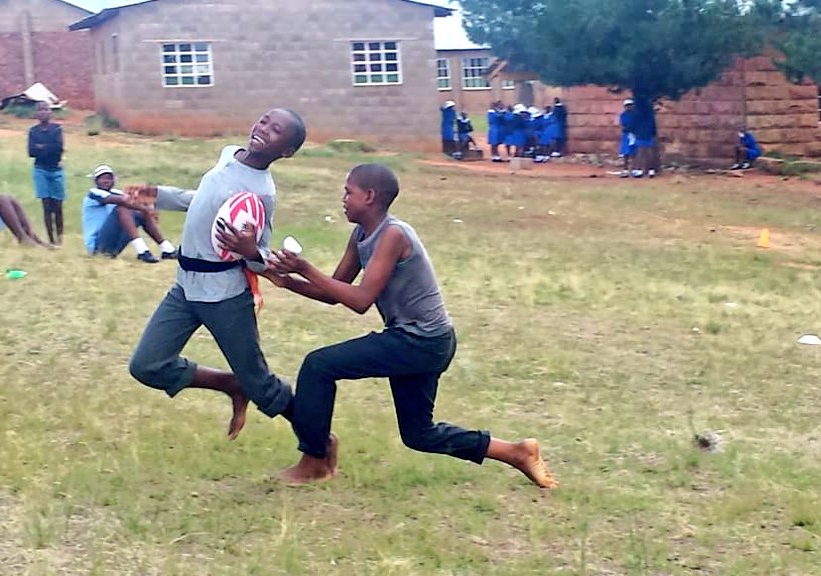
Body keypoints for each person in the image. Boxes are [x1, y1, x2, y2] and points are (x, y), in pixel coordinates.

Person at [264, 164, 558, 489]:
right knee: (419, 434)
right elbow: (335, 293)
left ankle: (314, 460)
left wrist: (304, 268)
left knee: (318, 366)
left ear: (370, 196)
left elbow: (360, 300)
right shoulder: (361, 235)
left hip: (421, 341)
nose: (343, 199)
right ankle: (516, 452)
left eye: (349, 192)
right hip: (423, 340)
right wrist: (287, 281)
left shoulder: (393, 235)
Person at [128, 108, 309, 445]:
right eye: (264, 121)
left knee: (260, 384)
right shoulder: (229, 154)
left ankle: (320, 442)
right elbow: (206, 200)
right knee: (147, 364)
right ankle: (231, 383)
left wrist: (251, 250)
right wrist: (158, 194)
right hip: (185, 288)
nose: (263, 129)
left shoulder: (262, 193)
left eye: (275, 130)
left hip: (224, 296)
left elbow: (261, 259)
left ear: (286, 152)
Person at [82, 165, 178, 263]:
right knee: (122, 208)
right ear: (96, 181)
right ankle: (142, 251)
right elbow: (123, 201)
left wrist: (146, 209)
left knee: (140, 212)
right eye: (102, 178)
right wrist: (146, 209)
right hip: (97, 247)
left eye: (109, 178)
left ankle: (167, 249)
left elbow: (132, 201)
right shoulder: (93, 193)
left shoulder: (116, 192)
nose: (106, 181)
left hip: (113, 244)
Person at [28, 101, 66, 244]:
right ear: (36, 113)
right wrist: (48, 148)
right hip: (40, 170)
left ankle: (60, 239)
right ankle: (51, 239)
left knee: (58, 206)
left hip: (56, 170)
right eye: (40, 110)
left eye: (46, 109)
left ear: (51, 112)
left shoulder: (57, 129)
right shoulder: (33, 131)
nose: (43, 112)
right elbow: (31, 152)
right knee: (46, 206)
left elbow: (58, 148)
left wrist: (41, 147)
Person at [618, 99, 637, 177]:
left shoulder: (636, 115)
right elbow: (623, 125)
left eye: (630, 105)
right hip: (626, 135)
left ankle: (634, 169)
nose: (629, 107)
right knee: (626, 153)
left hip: (635, 135)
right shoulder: (623, 115)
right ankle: (625, 170)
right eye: (627, 106)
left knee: (634, 153)